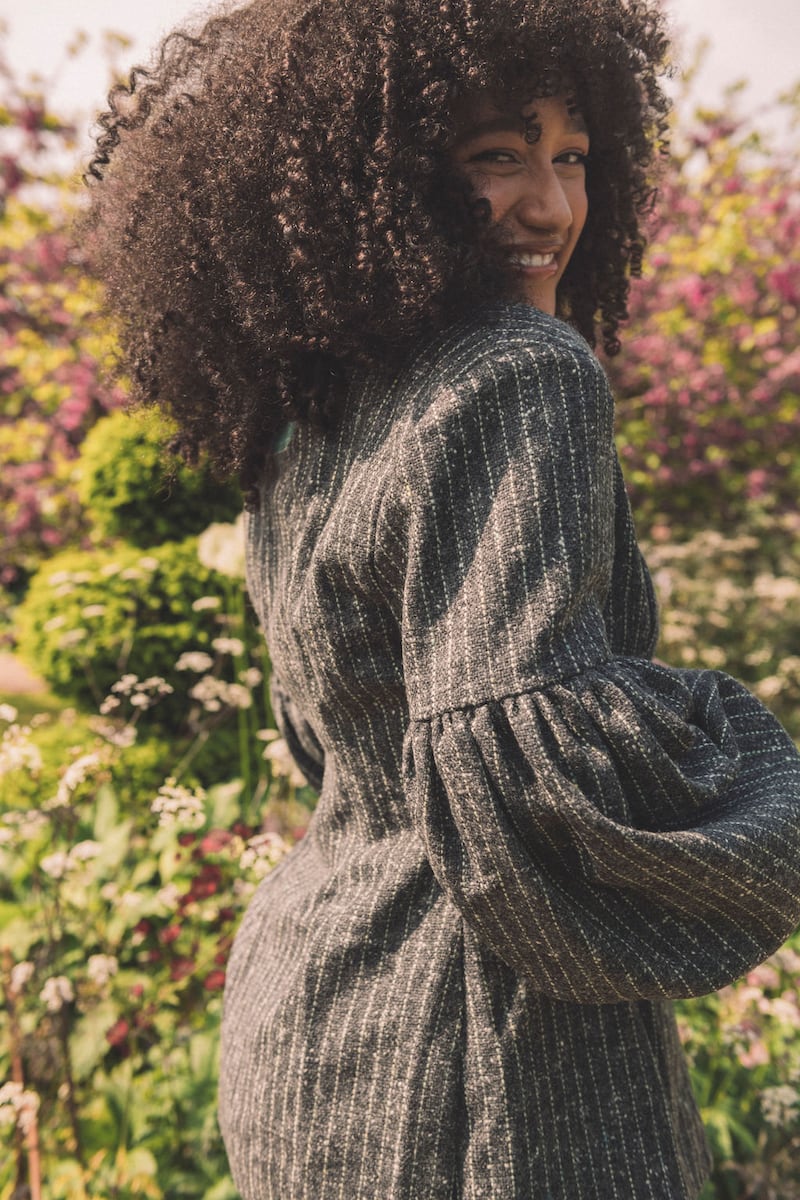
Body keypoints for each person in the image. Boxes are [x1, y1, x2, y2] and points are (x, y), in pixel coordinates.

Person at [82, 0, 800, 1195]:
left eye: (571, 156)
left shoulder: (311, 413)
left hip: (312, 1010)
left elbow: (338, 745)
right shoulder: (522, 376)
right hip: (486, 1055)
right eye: (496, 156)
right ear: (389, 178)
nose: (553, 205)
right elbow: (533, 789)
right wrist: (755, 778)